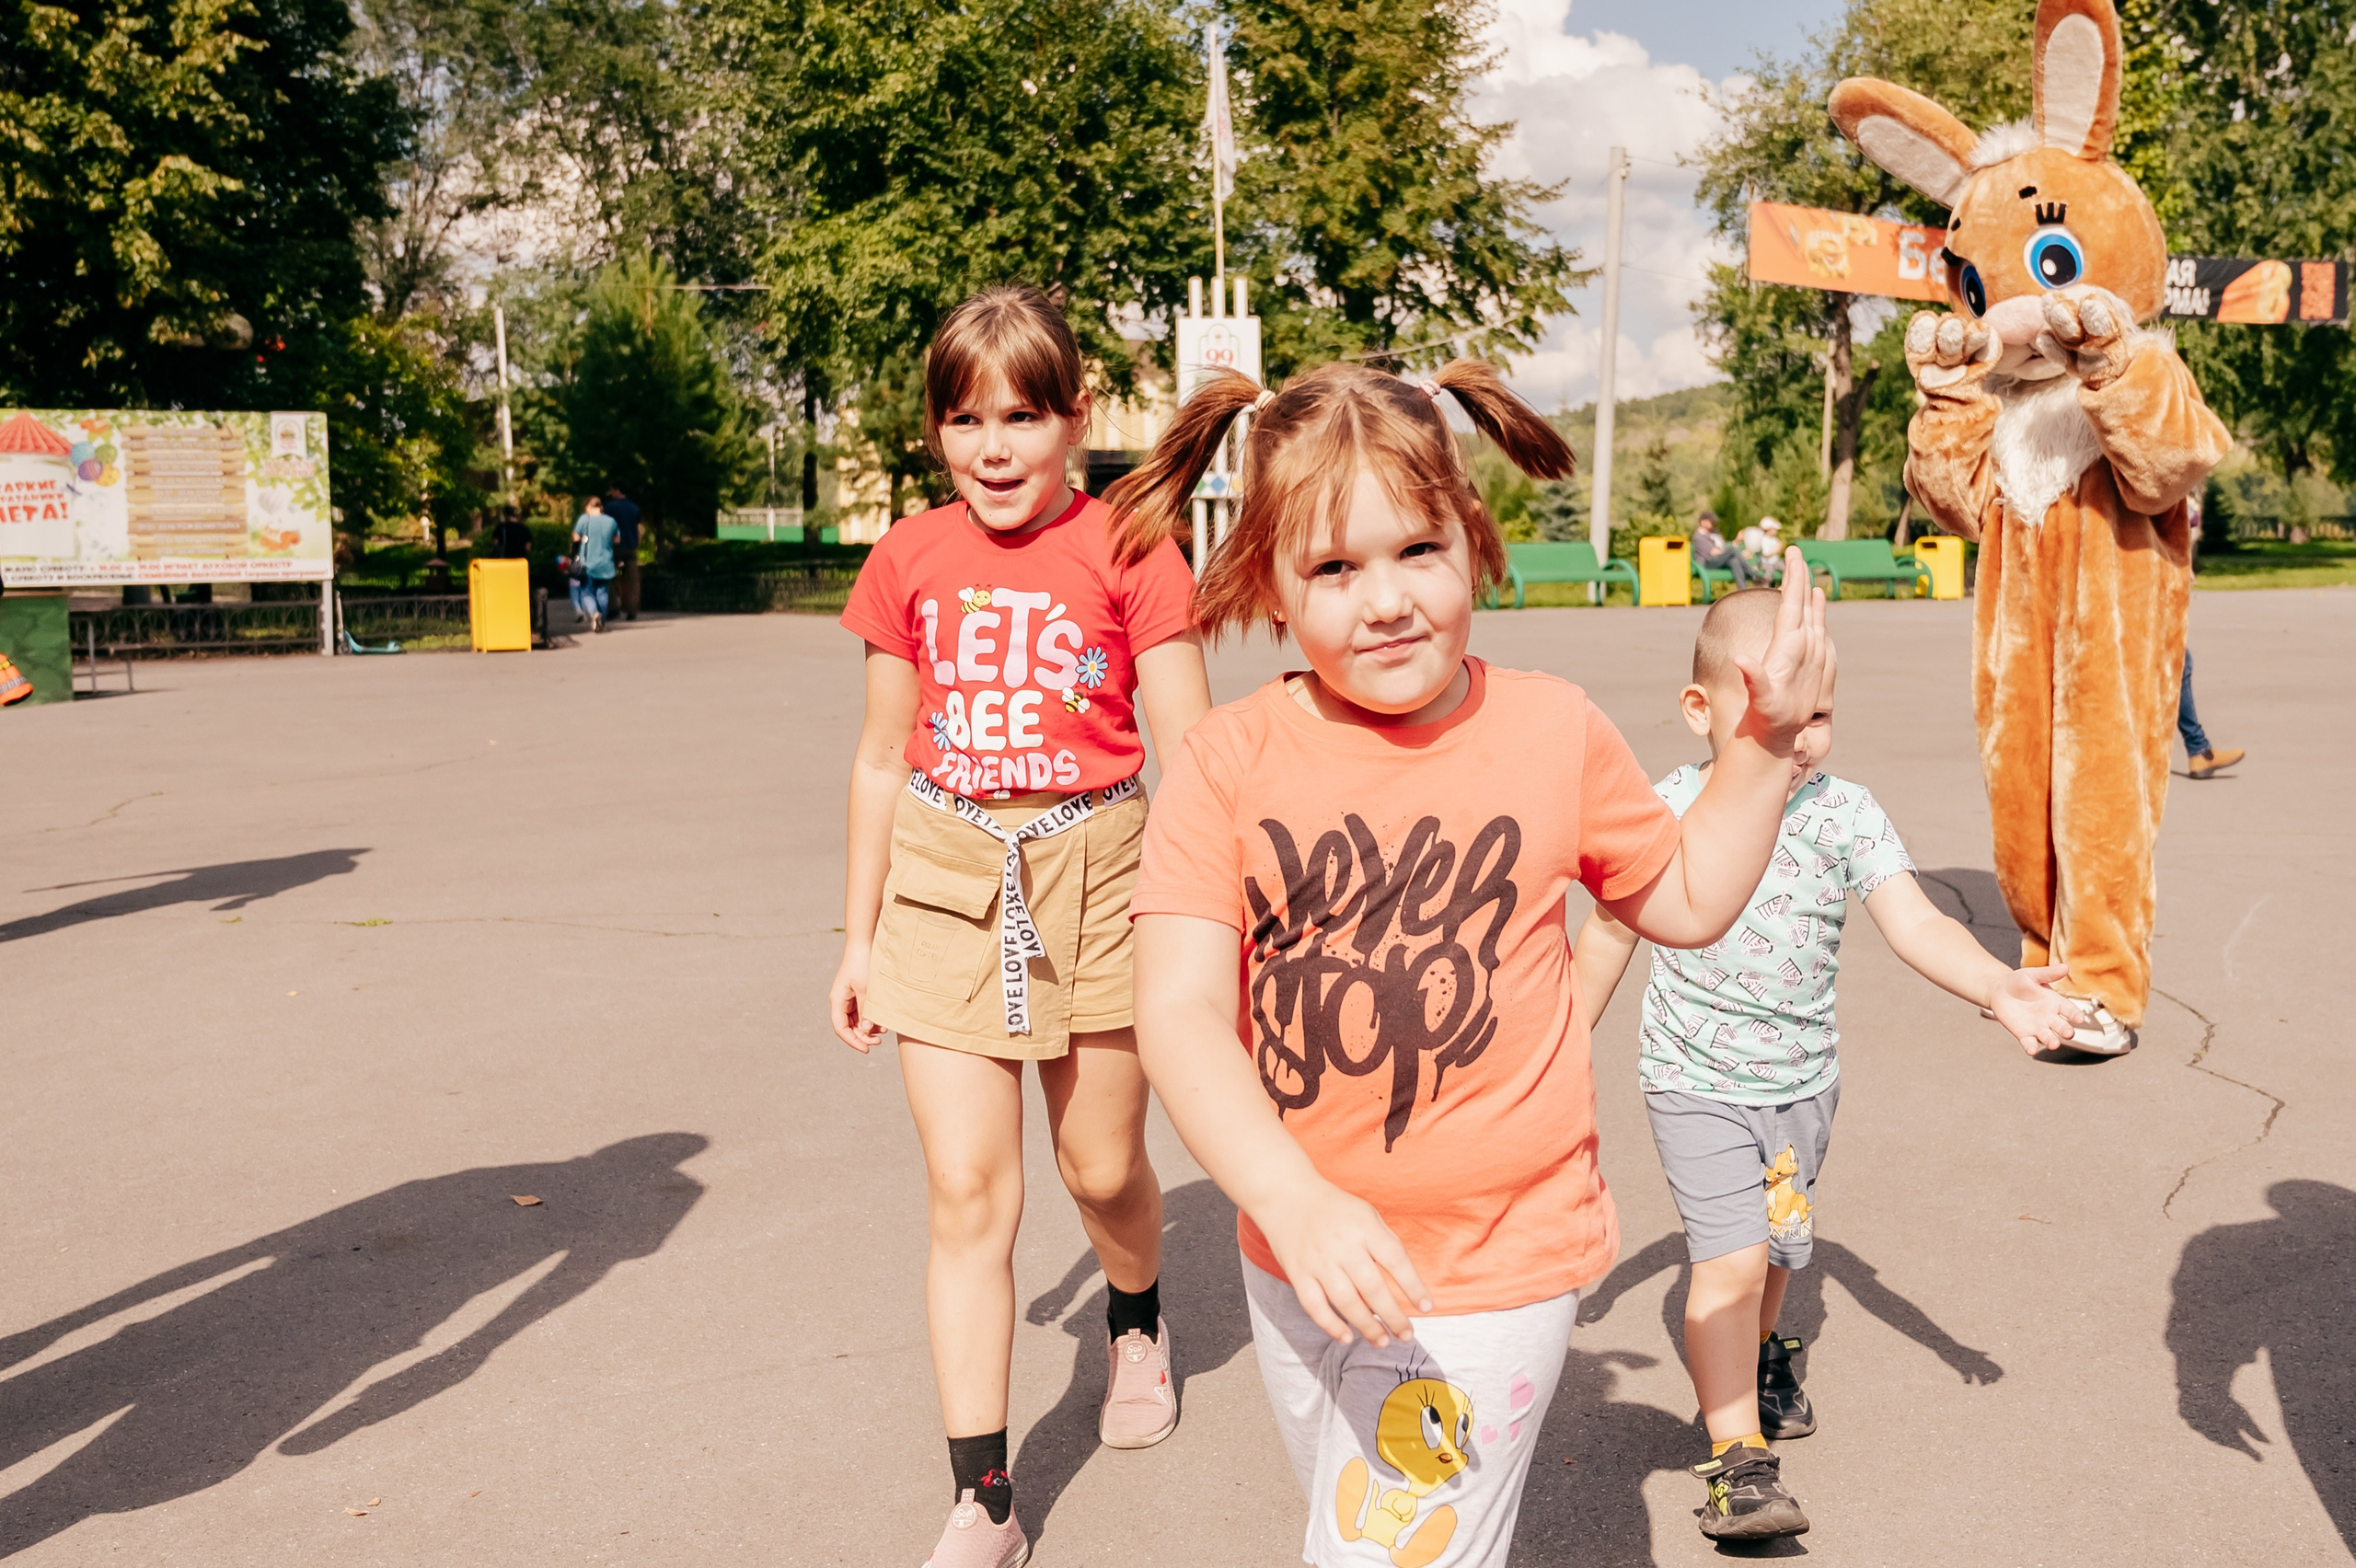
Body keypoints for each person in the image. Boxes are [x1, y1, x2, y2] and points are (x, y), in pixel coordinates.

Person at [1120, 357, 1833, 1568]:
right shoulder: (1226, 762)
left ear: (1473, 537)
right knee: (1361, 1527)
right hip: (1297, 1260)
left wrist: (1760, 754)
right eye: (1335, 569)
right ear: (1269, 584)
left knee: (1383, 1554)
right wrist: (1289, 1201)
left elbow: (1691, 895)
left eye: (1418, 552)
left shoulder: (1552, 729)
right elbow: (1181, 1013)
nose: (1386, 599)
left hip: (1498, 1257)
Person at [1569, 588, 2085, 1542]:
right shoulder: (1666, 806)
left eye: (1817, 713)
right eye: (1774, 711)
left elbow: (1916, 921)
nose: (1799, 735)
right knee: (1725, 1261)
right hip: (1694, 1082)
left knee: (1772, 1254)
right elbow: (1605, 938)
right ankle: (1736, 1463)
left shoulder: (1847, 815)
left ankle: (1765, 1355)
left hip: (1803, 1085)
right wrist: (1553, 1058)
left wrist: (1996, 986)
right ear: (1703, 710)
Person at [829, 284, 1212, 1568]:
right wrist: (856, 937)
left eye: (1023, 416)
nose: (994, 447)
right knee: (965, 1193)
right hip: (946, 876)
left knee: (1100, 1168)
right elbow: (882, 757)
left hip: (1102, 872)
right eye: (965, 419)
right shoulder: (908, 559)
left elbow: (1195, 754)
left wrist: (1218, 930)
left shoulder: (1137, 550)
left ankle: (1138, 1316)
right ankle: (984, 1497)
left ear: (1075, 415)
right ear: (936, 428)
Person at [567, 496, 618, 632]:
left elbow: (576, 537)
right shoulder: (611, 521)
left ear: (589, 506)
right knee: (602, 593)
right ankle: (602, 621)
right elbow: (617, 539)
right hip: (606, 563)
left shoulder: (584, 519)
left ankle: (594, 613)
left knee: (587, 592)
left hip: (587, 564)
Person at [604, 487, 643, 621]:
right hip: (630, 546)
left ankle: (613, 608)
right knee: (633, 580)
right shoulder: (634, 507)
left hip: (614, 546)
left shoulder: (609, 507)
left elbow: (606, 527)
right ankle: (632, 610)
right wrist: (637, 543)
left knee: (608, 577)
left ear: (616, 491)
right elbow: (639, 529)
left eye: (611, 491)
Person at [1692, 510, 1751, 590]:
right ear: (1703, 521)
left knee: (1734, 561)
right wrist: (1725, 551)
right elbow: (1712, 552)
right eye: (1711, 521)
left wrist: (1723, 551)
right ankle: (1751, 573)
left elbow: (1722, 547)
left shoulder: (1716, 532)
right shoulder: (1698, 536)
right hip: (1708, 562)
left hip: (1719, 560)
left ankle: (1743, 590)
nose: (1713, 523)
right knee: (1732, 550)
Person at [1736, 515, 1784, 584]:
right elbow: (1765, 553)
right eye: (1774, 529)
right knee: (1769, 571)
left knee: (1786, 568)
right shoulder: (1761, 539)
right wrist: (1775, 551)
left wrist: (1779, 548)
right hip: (1765, 563)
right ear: (1768, 530)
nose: (1776, 531)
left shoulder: (1775, 540)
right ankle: (1765, 588)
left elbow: (1778, 552)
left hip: (1775, 562)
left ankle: (1784, 585)